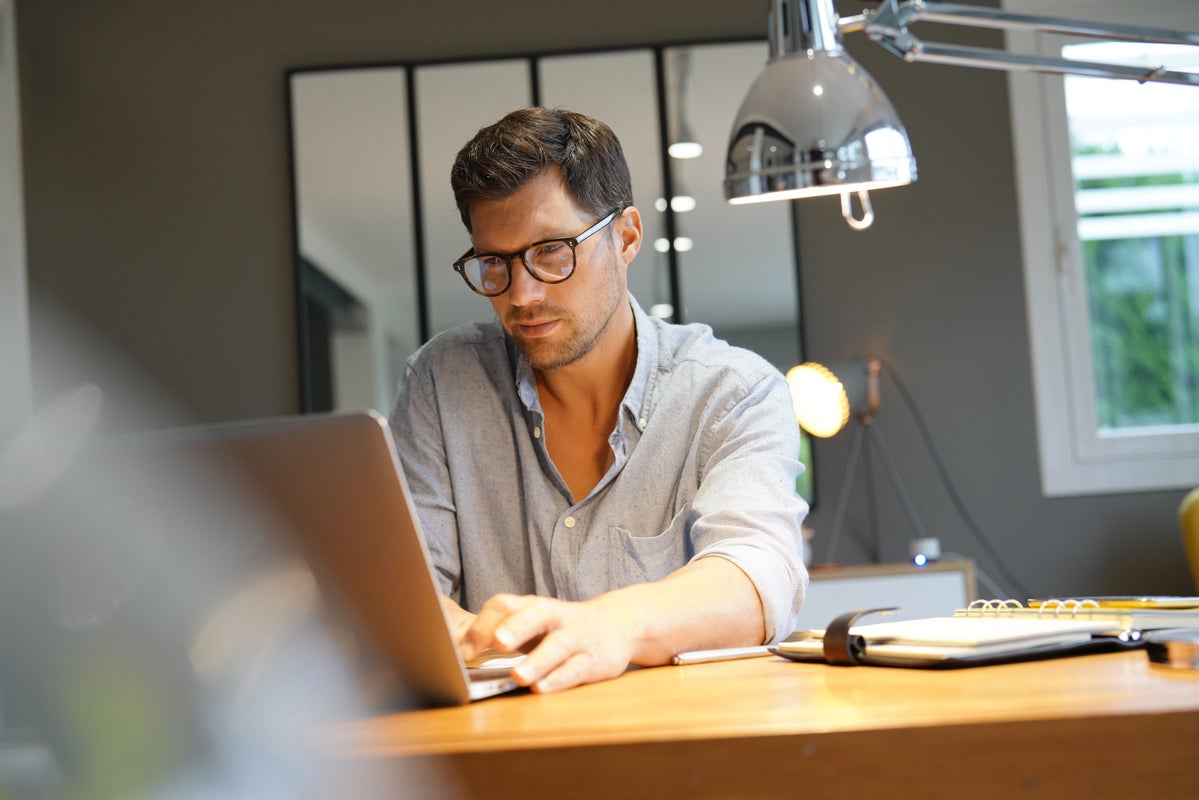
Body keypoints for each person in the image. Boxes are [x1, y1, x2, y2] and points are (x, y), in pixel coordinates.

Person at [389, 107, 808, 694]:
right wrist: (455, 631)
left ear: (627, 235)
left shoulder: (735, 392)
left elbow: (758, 576)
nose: (523, 294)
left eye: (552, 251)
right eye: (494, 264)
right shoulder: (443, 382)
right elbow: (404, 590)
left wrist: (614, 625)